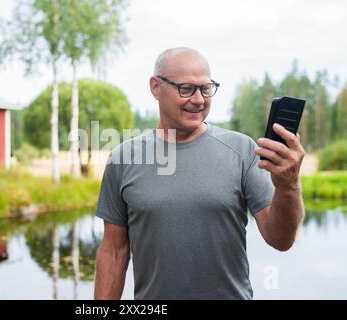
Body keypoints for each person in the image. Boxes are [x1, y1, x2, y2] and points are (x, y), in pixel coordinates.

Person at [93, 47, 305, 300]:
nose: (199, 100)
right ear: (155, 87)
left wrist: (288, 186)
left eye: (206, 88)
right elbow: (114, 251)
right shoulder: (122, 158)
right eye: (186, 89)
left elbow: (280, 239)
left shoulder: (243, 149)